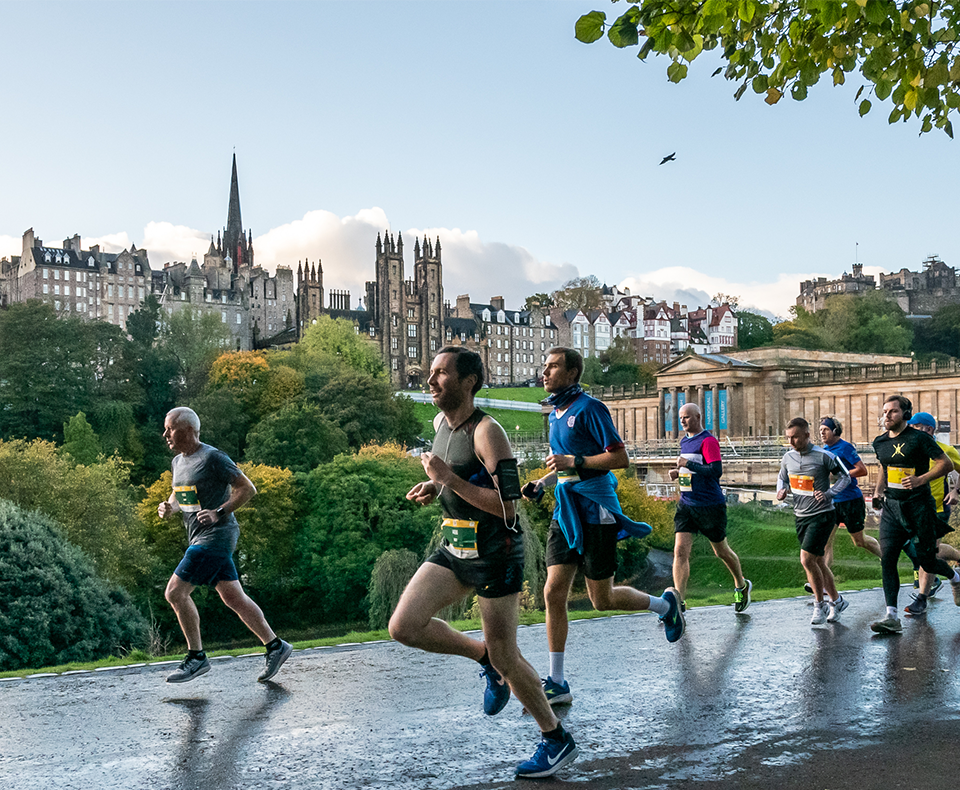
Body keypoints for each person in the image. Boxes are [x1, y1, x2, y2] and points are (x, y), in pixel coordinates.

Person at [388, 347, 578, 779]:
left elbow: (510, 509)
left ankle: (555, 738)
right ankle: (481, 658)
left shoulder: (487, 431)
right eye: (431, 373)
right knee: (404, 625)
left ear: (468, 381)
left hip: (495, 555)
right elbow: (457, 480)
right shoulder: (440, 424)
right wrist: (435, 488)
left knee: (508, 657)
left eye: (441, 374)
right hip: (455, 546)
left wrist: (447, 480)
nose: (431, 381)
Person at [525, 347, 683, 710]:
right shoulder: (556, 412)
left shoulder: (590, 408)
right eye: (544, 366)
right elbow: (565, 467)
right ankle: (558, 680)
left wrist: (575, 461)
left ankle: (665, 606)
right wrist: (543, 483)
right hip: (566, 510)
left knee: (602, 599)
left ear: (573, 372)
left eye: (552, 367)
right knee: (553, 592)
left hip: (596, 508)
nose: (544, 372)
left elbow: (619, 458)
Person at [159, 407, 292, 683]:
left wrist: (219, 511)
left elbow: (247, 488)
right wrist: (169, 507)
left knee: (175, 593)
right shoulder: (177, 462)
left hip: (216, 537)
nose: (165, 434)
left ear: (188, 430)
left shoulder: (213, 458)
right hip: (197, 536)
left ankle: (196, 657)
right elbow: (179, 493)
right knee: (233, 597)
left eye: (170, 429)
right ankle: (276, 646)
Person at [870, 395, 960, 634]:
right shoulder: (879, 442)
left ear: (906, 415)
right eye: (885, 411)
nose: (887, 416)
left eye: (893, 412)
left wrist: (921, 479)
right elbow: (883, 467)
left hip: (920, 507)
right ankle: (891, 616)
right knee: (887, 558)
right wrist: (878, 492)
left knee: (926, 560)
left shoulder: (920, 439)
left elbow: (946, 465)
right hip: (892, 509)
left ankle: (954, 577)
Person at [668, 402, 751, 613]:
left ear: (698, 417)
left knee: (721, 551)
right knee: (679, 551)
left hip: (710, 506)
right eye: (680, 418)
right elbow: (692, 470)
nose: (683, 421)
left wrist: (687, 465)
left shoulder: (708, 441)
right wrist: (678, 473)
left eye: (686, 417)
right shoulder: (684, 442)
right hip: (686, 504)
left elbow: (715, 471)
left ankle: (741, 585)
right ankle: (679, 602)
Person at [776, 417, 852, 625]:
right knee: (817, 561)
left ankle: (819, 605)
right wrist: (780, 491)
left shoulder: (823, 456)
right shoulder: (788, 458)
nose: (791, 442)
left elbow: (845, 477)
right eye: (788, 438)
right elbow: (782, 477)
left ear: (807, 436)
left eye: (796, 438)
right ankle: (837, 600)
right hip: (801, 515)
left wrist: (829, 493)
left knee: (806, 559)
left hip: (823, 514)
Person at [902, 411, 960, 616]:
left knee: (927, 551)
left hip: (937, 509)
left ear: (929, 429)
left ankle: (922, 597)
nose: (910, 431)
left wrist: (956, 490)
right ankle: (957, 564)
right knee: (924, 550)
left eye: (915, 427)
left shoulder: (945, 450)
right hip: (911, 508)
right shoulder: (908, 448)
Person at [819, 416, 882, 572]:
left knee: (859, 541)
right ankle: (825, 582)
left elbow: (862, 470)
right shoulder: (823, 451)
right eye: (820, 430)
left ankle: (886, 558)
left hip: (850, 500)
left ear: (835, 431)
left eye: (825, 429)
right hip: (832, 502)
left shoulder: (845, 447)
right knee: (825, 542)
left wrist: (841, 475)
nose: (822, 433)